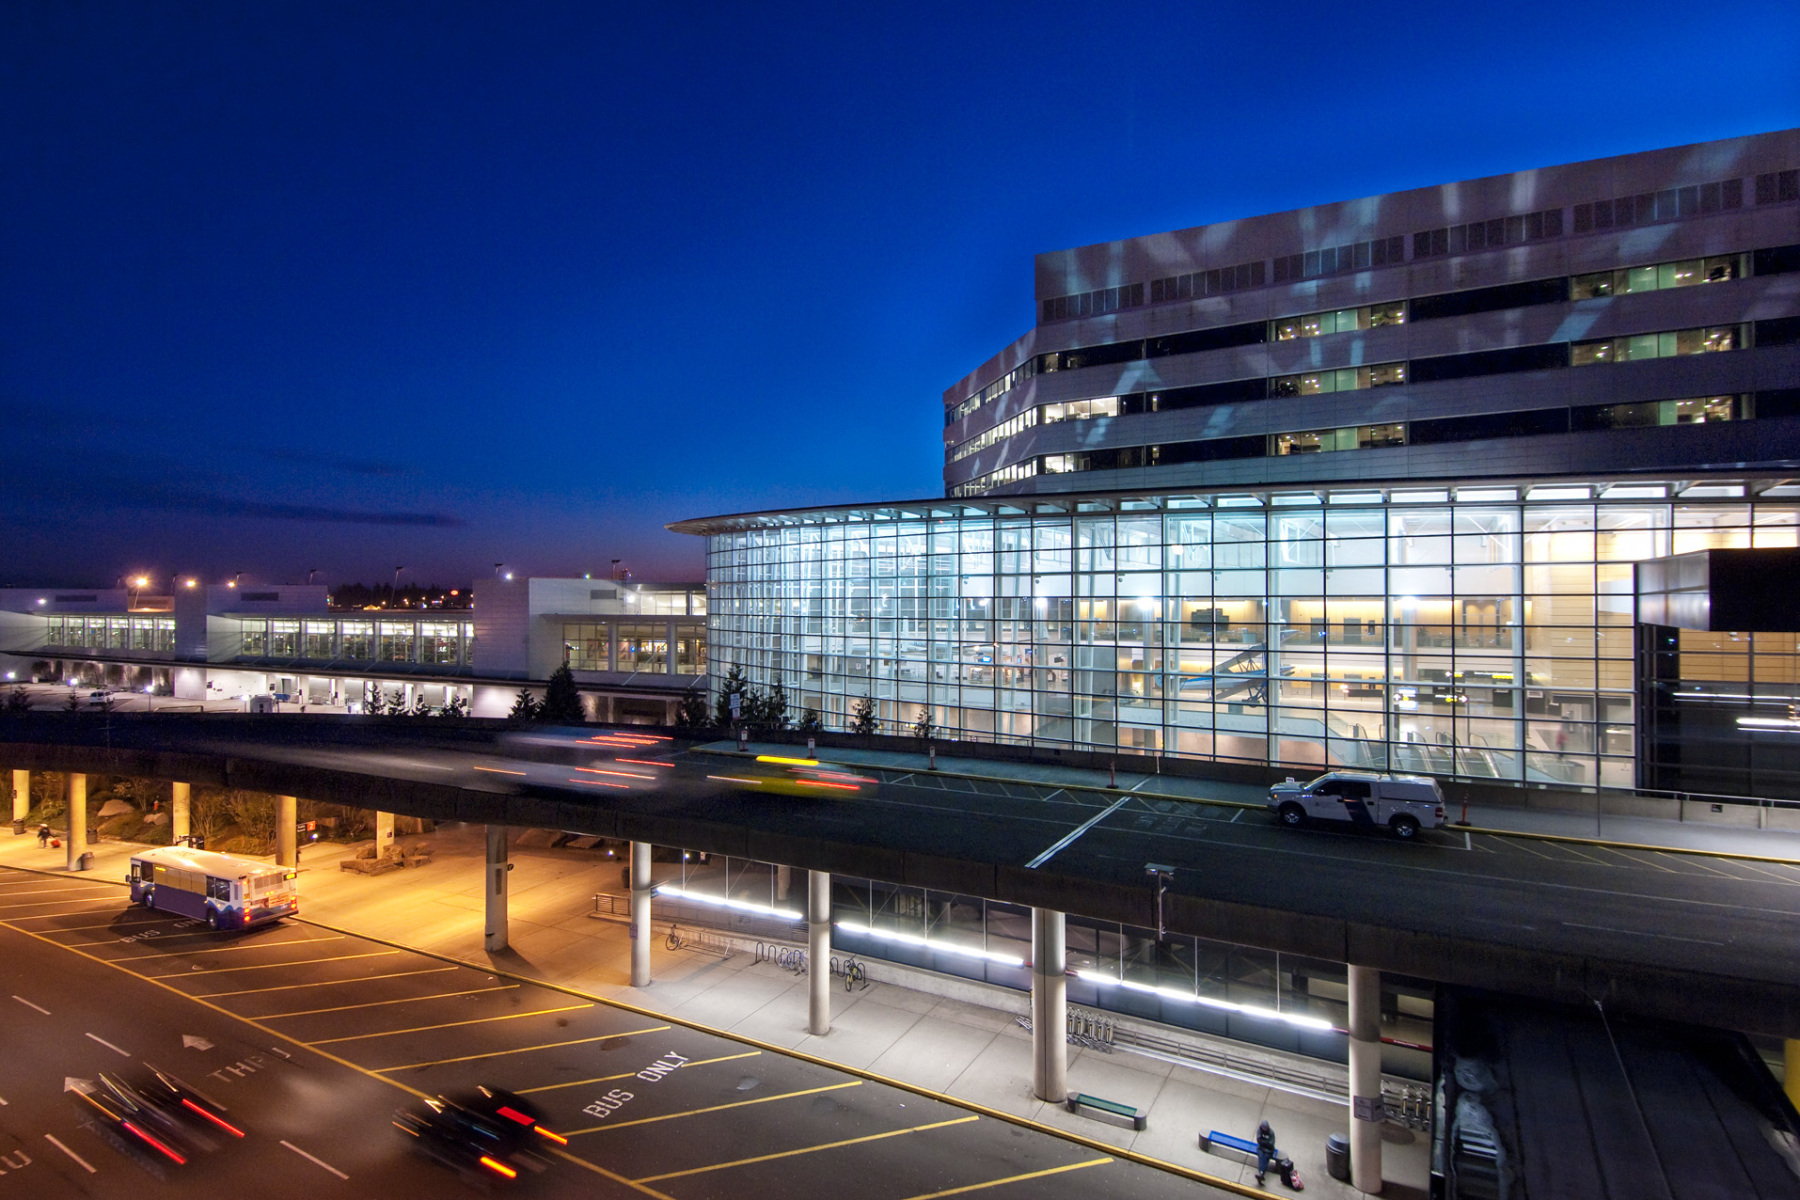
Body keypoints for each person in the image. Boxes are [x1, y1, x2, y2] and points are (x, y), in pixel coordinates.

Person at [1255, 1119, 1277, 1186]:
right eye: (1263, 1127)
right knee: (1261, 1157)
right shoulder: (1259, 1130)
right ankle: (1261, 1173)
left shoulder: (1271, 1133)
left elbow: (1271, 1144)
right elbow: (1259, 1140)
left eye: (1265, 1127)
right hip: (1261, 1148)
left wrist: (1263, 1142)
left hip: (1269, 1150)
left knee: (1266, 1158)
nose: (1264, 1129)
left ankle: (1261, 1173)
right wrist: (1265, 1142)